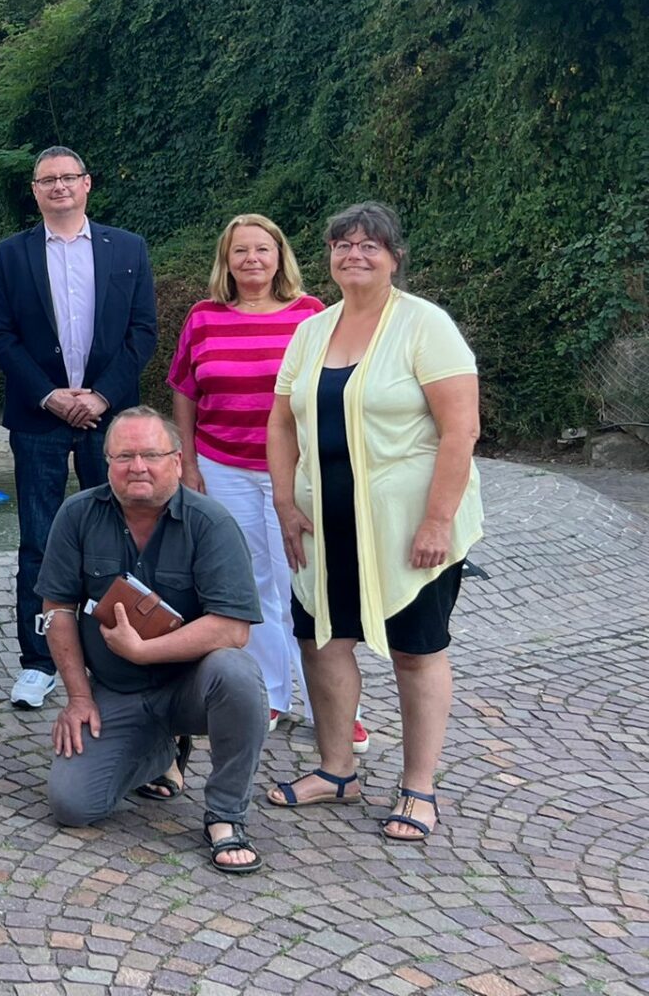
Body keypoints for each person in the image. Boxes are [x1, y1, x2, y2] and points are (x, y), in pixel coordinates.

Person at [266, 202, 483, 844]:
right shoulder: (312, 330)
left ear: (393, 257)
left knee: (418, 651)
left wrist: (437, 520)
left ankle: (419, 786)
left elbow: (460, 429)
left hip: (407, 524)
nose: (354, 254)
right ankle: (337, 771)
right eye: (342, 244)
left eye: (370, 245)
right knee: (321, 640)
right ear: (328, 255)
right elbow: (282, 421)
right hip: (325, 522)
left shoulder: (425, 326)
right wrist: (283, 502)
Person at [40, 406, 268, 873]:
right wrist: (79, 698)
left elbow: (233, 628)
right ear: (106, 463)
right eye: (123, 456)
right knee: (73, 805)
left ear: (178, 461)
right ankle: (162, 751)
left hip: (189, 688)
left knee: (237, 673)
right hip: (114, 691)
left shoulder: (211, 523)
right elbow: (57, 609)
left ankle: (226, 814)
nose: (137, 467)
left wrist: (146, 650)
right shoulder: (78, 514)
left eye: (150, 454)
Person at [0, 145, 158, 711]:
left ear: (87, 184)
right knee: (38, 540)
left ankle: (117, 651)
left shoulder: (128, 247)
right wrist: (50, 394)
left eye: (68, 177)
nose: (58, 187)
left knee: (120, 536)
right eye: (46, 180)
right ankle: (38, 662)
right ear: (35, 191)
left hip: (109, 419)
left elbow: (143, 333)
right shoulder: (12, 255)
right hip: (40, 418)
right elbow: (2, 335)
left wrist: (102, 395)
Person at [168, 214, 328, 736]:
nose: (252, 259)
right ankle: (271, 695)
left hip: (300, 471)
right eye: (241, 251)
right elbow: (186, 391)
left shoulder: (311, 315)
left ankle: (334, 706)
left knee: (305, 582)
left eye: (263, 249)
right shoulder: (204, 316)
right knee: (252, 585)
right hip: (224, 466)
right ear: (226, 260)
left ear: (280, 256)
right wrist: (187, 463)